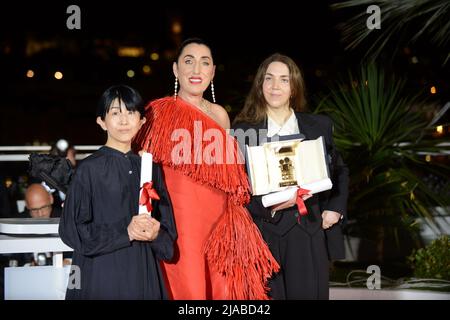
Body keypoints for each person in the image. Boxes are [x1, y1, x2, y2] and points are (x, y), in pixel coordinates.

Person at [133, 38, 279, 300]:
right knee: (188, 287)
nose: (196, 70)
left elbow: (231, 174)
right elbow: (143, 172)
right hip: (179, 221)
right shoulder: (157, 113)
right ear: (176, 69)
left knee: (219, 289)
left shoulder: (220, 115)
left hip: (219, 221)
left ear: (212, 72)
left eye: (204, 63)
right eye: (188, 61)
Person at [232, 53, 349, 299]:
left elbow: (339, 170)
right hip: (263, 235)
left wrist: (335, 209)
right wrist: (268, 208)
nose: (276, 86)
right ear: (260, 86)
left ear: (294, 87)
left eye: (284, 80)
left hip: (309, 230)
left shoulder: (318, 126)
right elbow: (237, 186)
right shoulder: (243, 130)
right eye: (269, 79)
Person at [59, 85, 177, 299]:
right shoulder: (89, 169)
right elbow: (71, 231)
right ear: (101, 122)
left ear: (142, 121)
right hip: (101, 275)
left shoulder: (150, 167)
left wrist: (157, 233)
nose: (124, 120)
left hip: (143, 274)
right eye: (115, 112)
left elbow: (168, 236)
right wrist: (126, 232)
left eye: (130, 112)